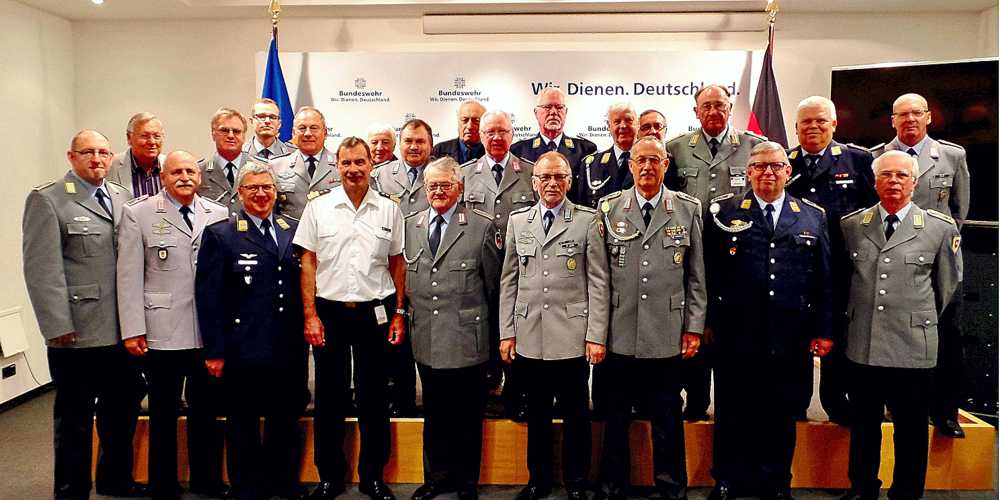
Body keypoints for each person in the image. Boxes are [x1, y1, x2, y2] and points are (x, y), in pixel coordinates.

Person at [704, 141, 832, 500]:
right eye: (760, 166)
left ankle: (776, 481)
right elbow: (709, 274)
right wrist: (707, 322)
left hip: (790, 334)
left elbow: (824, 278)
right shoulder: (724, 212)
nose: (768, 172)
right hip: (736, 331)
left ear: (788, 171)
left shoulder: (812, 216)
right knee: (732, 408)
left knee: (781, 411)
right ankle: (727, 479)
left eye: (776, 166)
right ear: (748, 172)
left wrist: (823, 329)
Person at [23, 130, 146, 499]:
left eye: (103, 152)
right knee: (74, 420)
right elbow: (42, 270)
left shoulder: (121, 196)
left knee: (121, 412)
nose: (97, 159)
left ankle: (115, 480)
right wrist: (56, 325)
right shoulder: (49, 199)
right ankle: (70, 490)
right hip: (77, 333)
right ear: (71, 157)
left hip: (120, 331)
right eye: (88, 152)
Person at [839, 151, 962, 500]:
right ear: (875, 181)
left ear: (915, 182)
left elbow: (947, 287)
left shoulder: (939, 228)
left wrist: (916, 317)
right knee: (864, 426)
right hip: (864, 342)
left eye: (901, 175)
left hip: (912, 345)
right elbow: (845, 281)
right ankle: (862, 488)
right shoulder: (853, 225)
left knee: (911, 428)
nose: (893, 181)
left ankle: (906, 493)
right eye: (886, 175)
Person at [294, 137, 406, 500]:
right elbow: (308, 261)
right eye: (346, 163)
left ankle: (372, 477)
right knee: (330, 398)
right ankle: (330, 477)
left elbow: (397, 263)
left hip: (376, 312)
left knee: (374, 398)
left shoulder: (389, 210)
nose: (353, 169)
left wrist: (398, 313)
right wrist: (310, 314)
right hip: (330, 312)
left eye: (360, 162)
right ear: (336, 166)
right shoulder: (319, 208)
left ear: (371, 164)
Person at [595, 137, 706, 500]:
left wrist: (693, 327)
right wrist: (597, 333)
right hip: (619, 331)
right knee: (615, 418)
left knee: (667, 418)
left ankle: (671, 488)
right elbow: (599, 277)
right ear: (630, 166)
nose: (646, 166)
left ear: (666, 164)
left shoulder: (687, 209)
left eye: (654, 160)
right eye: (640, 160)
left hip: (666, 333)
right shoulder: (609, 207)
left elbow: (696, 277)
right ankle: (612, 488)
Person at [117, 150, 230, 500]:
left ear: (200, 177)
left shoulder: (218, 213)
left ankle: (206, 480)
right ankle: (163, 485)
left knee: (205, 411)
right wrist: (132, 329)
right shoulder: (139, 213)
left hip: (205, 331)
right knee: (163, 413)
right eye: (176, 171)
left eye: (190, 171)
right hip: (161, 330)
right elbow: (128, 276)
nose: (184, 177)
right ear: (163, 177)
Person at [499, 151, 609, 500]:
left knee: (576, 415)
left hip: (572, 337)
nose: (552, 183)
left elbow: (599, 282)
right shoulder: (518, 221)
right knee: (538, 415)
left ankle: (576, 482)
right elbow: (509, 280)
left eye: (559, 177)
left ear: (569, 181)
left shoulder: (588, 221)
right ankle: (539, 480)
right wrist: (507, 332)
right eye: (545, 177)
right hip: (530, 335)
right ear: (534, 183)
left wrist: (596, 335)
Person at [196, 161, 309, 500]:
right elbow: (209, 297)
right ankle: (247, 486)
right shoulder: (222, 234)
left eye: (267, 187)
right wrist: (214, 350)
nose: (261, 194)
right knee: (242, 421)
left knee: (285, 417)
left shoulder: (293, 229)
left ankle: (283, 481)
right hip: (243, 346)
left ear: (276, 192)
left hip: (287, 345)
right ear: (240, 194)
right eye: (253, 188)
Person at [870, 92, 971, 438]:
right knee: (891, 332)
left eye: (916, 113)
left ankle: (945, 412)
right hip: (892, 258)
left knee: (947, 334)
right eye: (902, 114)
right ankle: (891, 405)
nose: (910, 119)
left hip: (938, 259)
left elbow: (959, 212)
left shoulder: (952, 156)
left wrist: (936, 242)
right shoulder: (877, 157)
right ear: (892, 121)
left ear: (928, 117)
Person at [665, 84, 767, 422]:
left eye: (720, 105)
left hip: (736, 256)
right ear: (696, 111)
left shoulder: (754, 147)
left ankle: (733, 412)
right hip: (689, 251)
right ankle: (694, 402)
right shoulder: (676, 148)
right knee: (692, 328)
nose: (713, 111)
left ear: (730, 109)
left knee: (730, 337)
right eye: (706, 106)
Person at [404, 157, 502, 500]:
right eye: (432, 185)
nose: (438, 191)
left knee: (467, 416)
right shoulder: (411, 225)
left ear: (459, 188)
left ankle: (466, 482)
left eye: (445, 185)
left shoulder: (481, 226)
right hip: (427, 337)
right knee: (434, 414)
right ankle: (436, 478)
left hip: (466, 339)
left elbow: (493, 289)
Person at [785, 95, 877, 424]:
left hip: (841, 267)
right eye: (806, 122)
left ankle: (836, 403)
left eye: (820, 120)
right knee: (795, 339)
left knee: (836, 338)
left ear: (834, 124)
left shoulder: (857, 160)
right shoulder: (784, 162)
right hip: (795, 269)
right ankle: (795, 405)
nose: (813, 126)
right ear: (796, 127)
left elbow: (873, 212)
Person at [461, 109, 535, 420]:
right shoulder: (465, 174)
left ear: (512, 135)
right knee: (484, 331)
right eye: (490, 132)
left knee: (518, 332)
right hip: (478, 270)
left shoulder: (530, 172)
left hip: (520, 269)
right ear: (481, 136)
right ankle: (486, 392)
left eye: (502, 131)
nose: (496, 137)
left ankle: (518, 395)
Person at [371, 118, 437, 417]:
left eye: (420, 141)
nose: (413, 146)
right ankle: (402, 405)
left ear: (431, 145)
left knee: (431, 346)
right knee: (394, 346)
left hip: (431, 273)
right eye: (408, 141)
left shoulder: (442, 174)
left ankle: (433, 407)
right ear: (399, 144)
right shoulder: (380, 176)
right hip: (389, 272)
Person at [510, 87, 597, 199]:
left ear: (565, 112)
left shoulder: (585, 150)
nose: (553, 112)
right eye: (547, 107)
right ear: (536, 113)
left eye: (559, 107)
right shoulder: (519, 151)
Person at [271, 106, 342, 220]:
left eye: (314, 128)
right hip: (292, 230)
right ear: (293, 133)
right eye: (302, 128)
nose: (308, 133)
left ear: (325, 133)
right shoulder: (276, 166)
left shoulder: (342, 165)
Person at [578, 102, 639, 208]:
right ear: (609, 126)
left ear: (638, 124)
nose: (623, 126)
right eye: (617, 122)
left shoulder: (653, 162)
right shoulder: (591, 165)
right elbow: (582, 210)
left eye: (629, 120)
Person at [197, 107, 254, 217]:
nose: (231, 135)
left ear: (244, 136)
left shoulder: (261, 169)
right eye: (224, 130)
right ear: (213, 134)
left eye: (236, 131)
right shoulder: (199, 171)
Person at [108, 112, 167, 197]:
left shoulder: (171, 166)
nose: (152, 142)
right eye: (144, 136)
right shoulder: (110, 166)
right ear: (129, 138)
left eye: (157, 136)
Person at [433, 100, 486, 165]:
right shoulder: (439, 150)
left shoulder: (490, 152)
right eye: (464, 120)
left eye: (476, 121)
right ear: (458, 122)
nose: (469, 126)